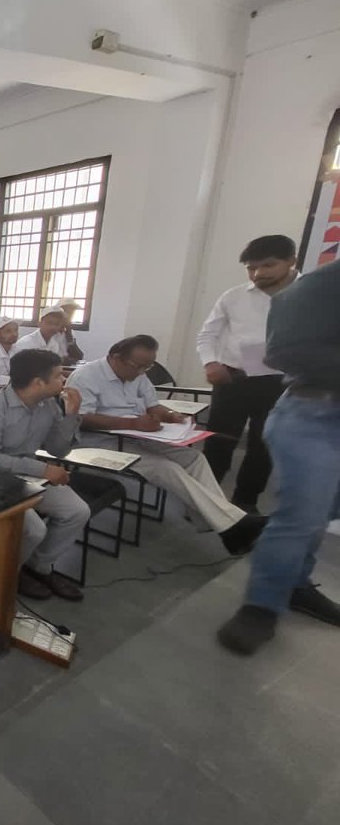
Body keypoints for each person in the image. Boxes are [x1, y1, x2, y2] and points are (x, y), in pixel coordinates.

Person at [216, 260, 340, 655]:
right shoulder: (319, 286)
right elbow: (285, 350)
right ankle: (261, 606)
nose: (258, 272)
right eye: (254, 266)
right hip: (314, 414)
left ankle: (296, 583)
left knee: (322, 512)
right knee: (301, 515)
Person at [65, 334, 266, 554]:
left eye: (148, 367)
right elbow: (81, 420)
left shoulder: (137, 375)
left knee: (194, 458)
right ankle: (232, 526)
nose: (142, 372)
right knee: (166, 468)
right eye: (138, 366)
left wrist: (172, 416)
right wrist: (132, 423)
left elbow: (153, 406)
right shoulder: (86, 376)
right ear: (116, 357)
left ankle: (224, 525)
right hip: (98, 443)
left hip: (139, 435)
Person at [0, 350, 89, 601]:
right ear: (37, 382)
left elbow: (58, 449)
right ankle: (11, 573)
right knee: (33, 530)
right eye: (58, 376)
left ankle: (38, 566)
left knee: (77, 511)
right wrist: (43, 470)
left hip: (30, 475)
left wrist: (71, 415)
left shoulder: (47, 405)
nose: (64, 381)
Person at [196, 234, 298, 514]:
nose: (258, 274)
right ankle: (208, 498)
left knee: (263, 444)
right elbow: (207, 335)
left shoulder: (310, 295)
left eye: (268, 266)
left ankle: (245, 500)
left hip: (281, 382)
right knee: (219, 439)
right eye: (251, 268)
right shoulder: (234, 296)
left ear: (291, 261)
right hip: (232, 378)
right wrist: (210, 363)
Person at [54, 298, 86, 365]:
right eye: (67, 312)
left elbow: (79, 356)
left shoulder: (69, 332)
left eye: (72, 312)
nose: (69, 315)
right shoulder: (50, 331)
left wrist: (69, 335)